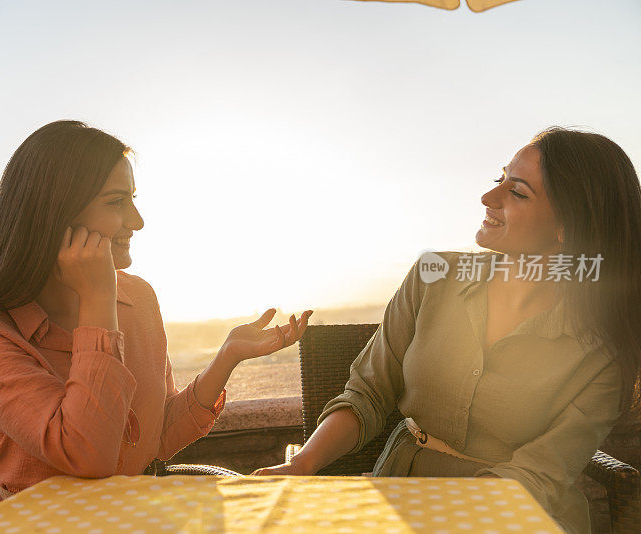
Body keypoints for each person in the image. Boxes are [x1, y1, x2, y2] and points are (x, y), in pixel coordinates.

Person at [252, 127, 641, 534]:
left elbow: (538, 474)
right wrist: (302, 463)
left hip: (515, 516)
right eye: (499, 179)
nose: (488, 198)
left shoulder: (605, 349)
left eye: (518, 192)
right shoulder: (432, 275)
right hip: (402, 495)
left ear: (568, 227)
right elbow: (366, 394)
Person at [0, 120, 312, 510]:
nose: (137, 221)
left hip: (132, 517)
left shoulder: (138, 298)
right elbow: (88, 455)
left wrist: (227, 356)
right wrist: (97, 299)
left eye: (132, 198)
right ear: (53, 214)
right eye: (116, 202)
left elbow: (157, 436)